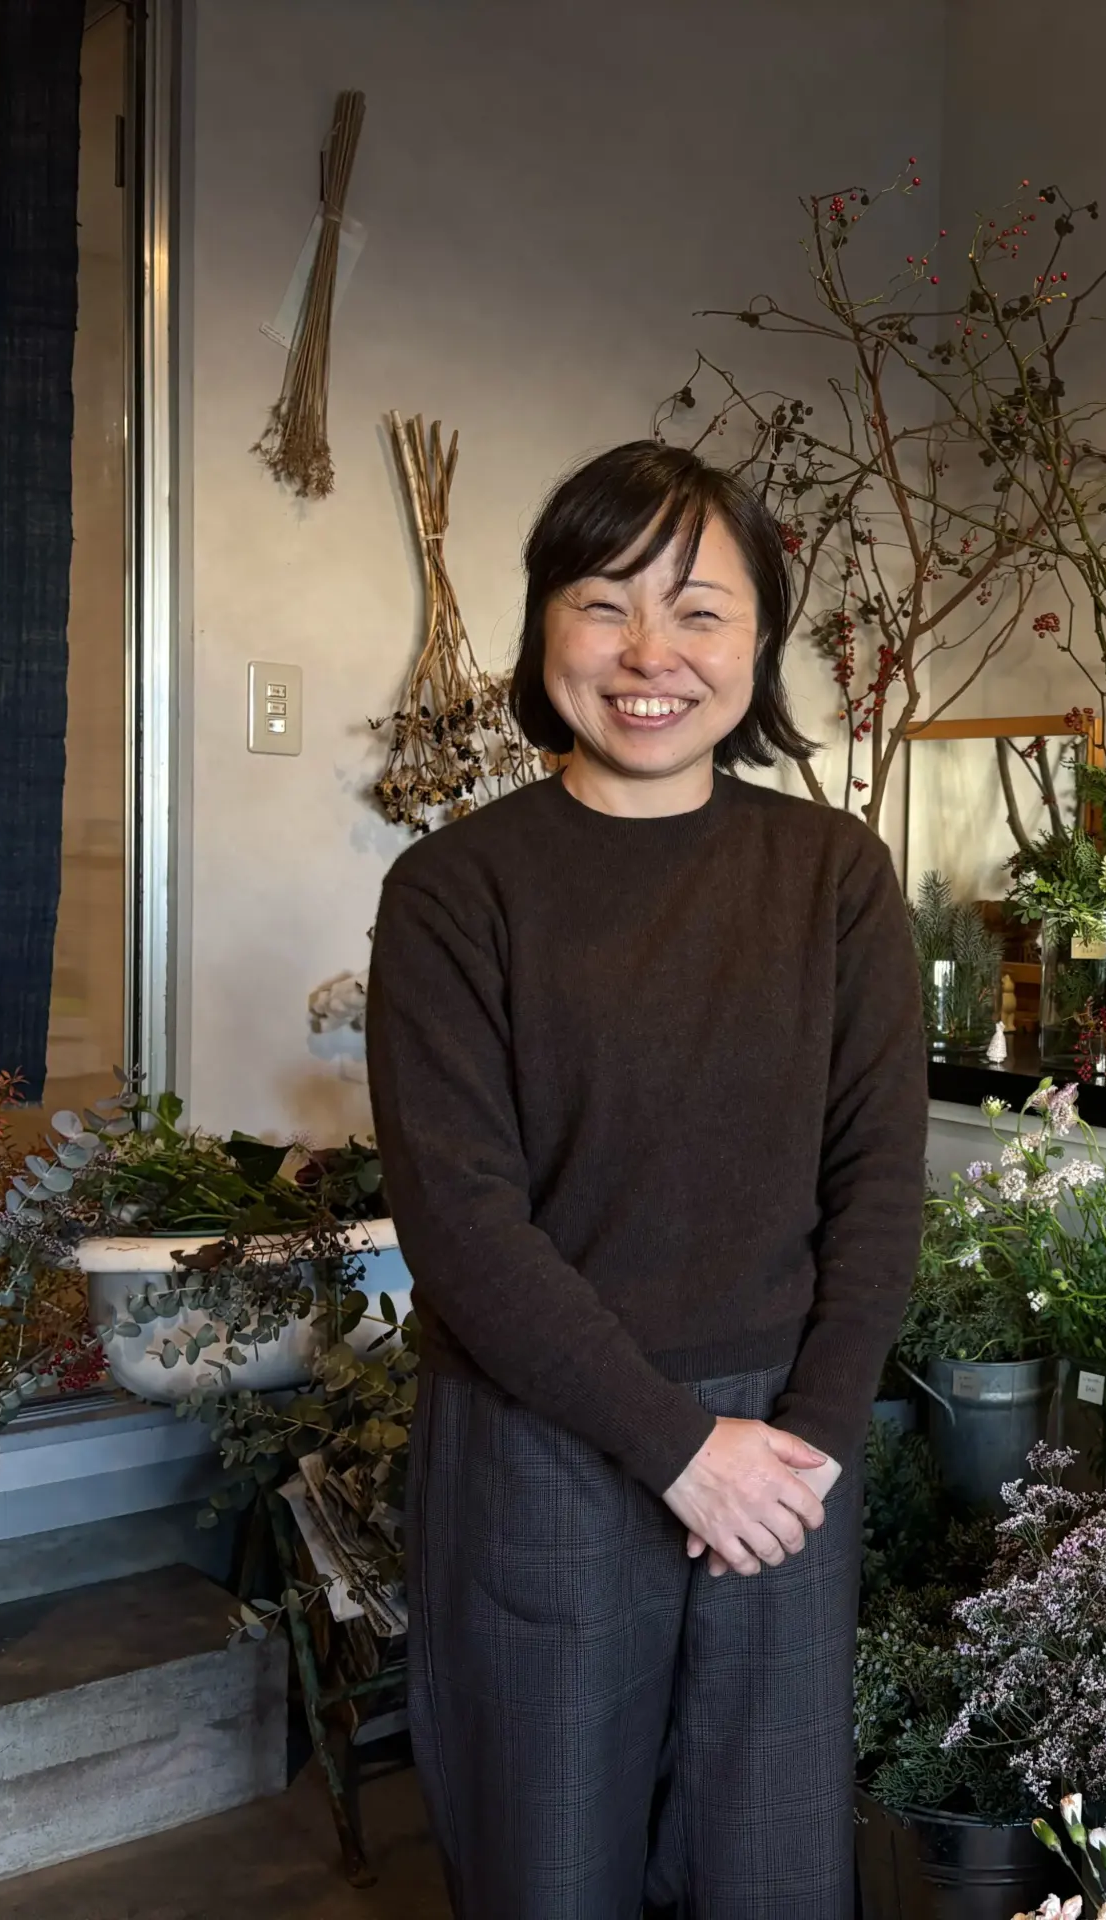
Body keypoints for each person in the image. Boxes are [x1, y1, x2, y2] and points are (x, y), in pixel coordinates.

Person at [367, 440, 925, 1917]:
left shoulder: (835, 878)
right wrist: (677, 1447)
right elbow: (463, 1227)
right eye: (606, 603)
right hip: (539, 1446)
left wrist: (797, 1443)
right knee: (548, 1872)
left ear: (760, 640)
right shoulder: (454, 892)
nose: (651, 654)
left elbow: (877, 1185)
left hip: (786, 1457)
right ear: (544, 626)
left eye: (700, 610)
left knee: (771, 1876)